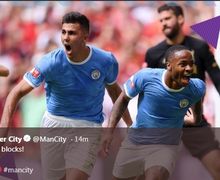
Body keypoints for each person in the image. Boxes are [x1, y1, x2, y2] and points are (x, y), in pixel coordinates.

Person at [0, 11, 132, 180]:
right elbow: (16, 92)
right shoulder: (51, 62)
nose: (66, 38)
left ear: (85, 36)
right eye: (63, 32)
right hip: (54, 125)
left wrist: (130, 124)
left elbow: (116, 93)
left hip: (88, 126)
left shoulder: (105, 61)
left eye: (72, 33)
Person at [102, 45, 206, 180]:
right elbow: (122, 100)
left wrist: (191, 121)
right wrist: (110, 131)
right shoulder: (146, 77)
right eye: (183, 64)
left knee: (156, 175)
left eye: (191, 64)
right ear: (169, 65)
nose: (189, 69)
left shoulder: (197, 87)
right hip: (135, 142)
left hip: (166, 146)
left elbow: (196, 117)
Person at [145, 3, 220, 180]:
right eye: (161, 20)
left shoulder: (200, 47)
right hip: (164, 124)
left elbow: (218, 79)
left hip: (194, 120)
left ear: (180, 19)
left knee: (217, 166)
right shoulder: (154, 54)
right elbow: (149, 92)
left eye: (167, 18)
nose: (163, 23)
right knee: (155, 175)